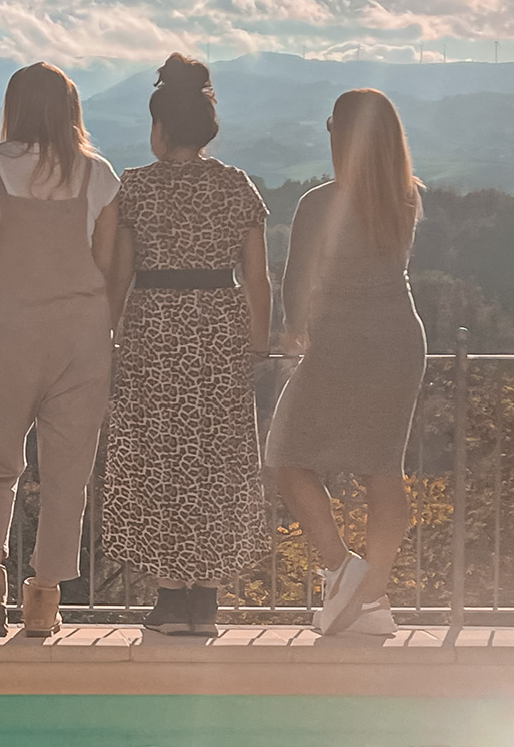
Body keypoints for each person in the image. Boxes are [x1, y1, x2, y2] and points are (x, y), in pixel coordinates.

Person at [102, 55, 271, 635]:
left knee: (159, 459)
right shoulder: (236, 185)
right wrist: (257, 345)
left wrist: (108, 335)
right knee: (218, 461)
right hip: (220, 330)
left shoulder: (136, 187)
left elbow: (118, 277)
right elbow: (258, 277)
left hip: (154, 330)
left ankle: (170, 597)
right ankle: (208, 598)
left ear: (160, 128)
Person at [0, 62, 120, 638]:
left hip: (2, 333)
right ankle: (46, 597)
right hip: (79, 338)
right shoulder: (98, 177)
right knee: (66, 474)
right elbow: (105, 267)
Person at [266, 89, 426, 636]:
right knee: (383, 470)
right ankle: (373, 599)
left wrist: (291, 331)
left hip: (340, 343)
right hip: (399, 341)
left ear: (340, 134)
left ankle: (344, 571)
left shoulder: (320, 202)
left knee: (287, 455)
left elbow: (297, 278)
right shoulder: (405, 197)